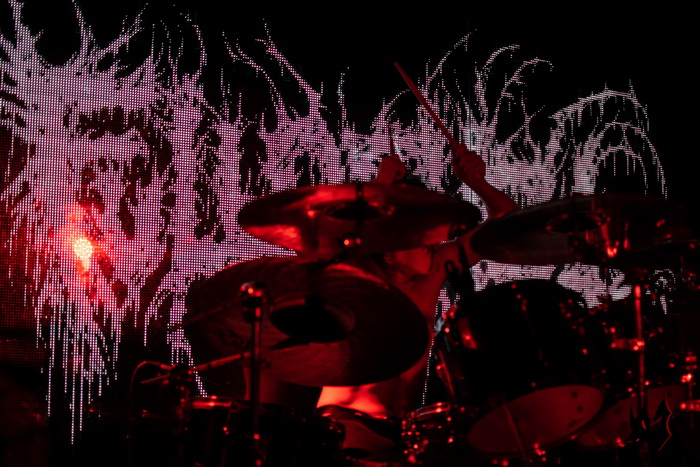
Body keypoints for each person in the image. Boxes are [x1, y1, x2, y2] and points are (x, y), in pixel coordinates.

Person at [315, 143, 519, 463]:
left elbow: (507, 223)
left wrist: (477, 183)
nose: (432, 235)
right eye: (419, 225)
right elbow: (329, 235)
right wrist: (382, 183)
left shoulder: (437, 266)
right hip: (347, 420)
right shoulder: (358, 267)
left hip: (405, 428)